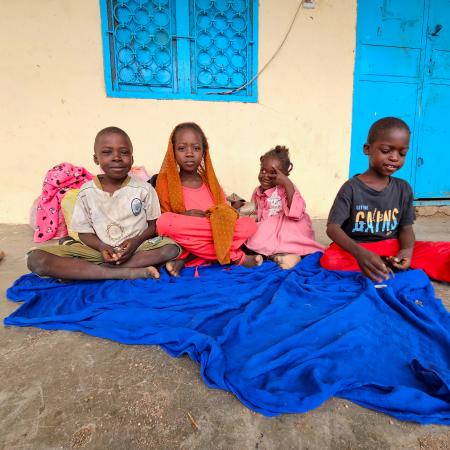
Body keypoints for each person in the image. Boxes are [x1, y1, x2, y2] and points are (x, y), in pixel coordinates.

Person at [27, 127, 180, 280]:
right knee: (36, 259)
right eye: (107, 152)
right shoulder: (86, 192)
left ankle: (92, 271)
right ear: (96, 158)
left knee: (171, 248)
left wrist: (136, 240)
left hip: (138, 249)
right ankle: (124, 272)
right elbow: (84, 232)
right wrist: (101, 246)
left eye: (124, 152)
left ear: (132, 159)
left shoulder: (144, 189)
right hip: (99, 251)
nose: (117, 157)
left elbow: (154, 225)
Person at [320, 117, 450, 283]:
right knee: (331, 260)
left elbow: (406, 228)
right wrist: (360, 253)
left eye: (402, 153)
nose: (395, 157)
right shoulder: (351, 188)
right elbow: (332, 228)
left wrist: (406, 251)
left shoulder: (404, 188)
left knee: (442, 251)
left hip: (393, 246)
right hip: (358, 248)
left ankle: (386, 263)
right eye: (387, 150)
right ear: (367, 149)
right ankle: (378, 263)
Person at [155, 122, 261, 276]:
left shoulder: (210, 182)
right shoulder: (165, 182)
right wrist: (184, 216)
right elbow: (165, 224)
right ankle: (237, 257)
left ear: (204, 152)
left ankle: (187, 258)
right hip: (187, 234)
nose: (189, 153)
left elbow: (226, 214)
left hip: (211, 233)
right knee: (164, 222)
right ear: (173, 152)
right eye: (182, 148)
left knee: (249, 224)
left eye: (196, 148)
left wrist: (215, 220)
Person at [244, 146, 324, 269]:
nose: (265, 175)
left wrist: (287, 183)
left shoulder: (287, 188)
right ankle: (281, 257)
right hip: (268, 230)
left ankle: (288, 255)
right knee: (254, 235)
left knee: (283, 234)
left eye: (273, 173)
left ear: (284, 174)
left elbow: (296, 213)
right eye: (263, 171)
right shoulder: (257, 191)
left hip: (289, 227)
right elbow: (255, 213)